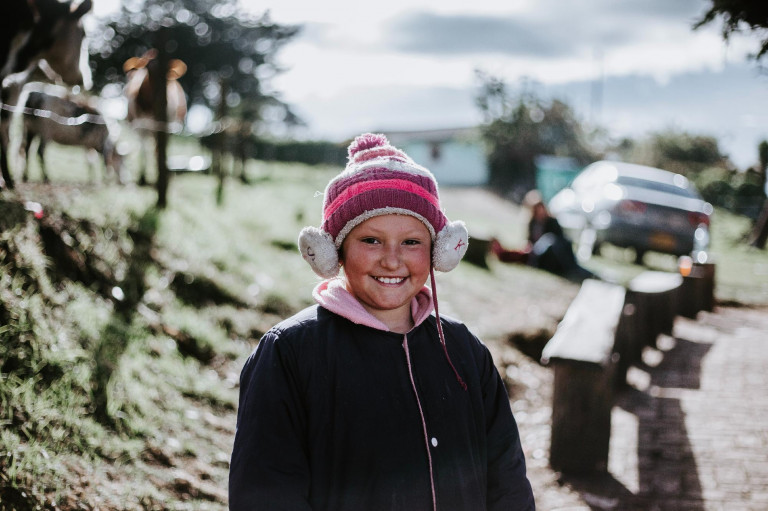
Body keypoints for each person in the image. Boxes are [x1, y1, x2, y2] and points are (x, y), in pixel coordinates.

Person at [229, 133, 535, 511]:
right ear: (334, 251)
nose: (392, 260)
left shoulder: (464, 351)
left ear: (439, 250)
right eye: (371, 240)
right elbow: (265, 492)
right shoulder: (290, 353)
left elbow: (507, 481)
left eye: (411, 242)